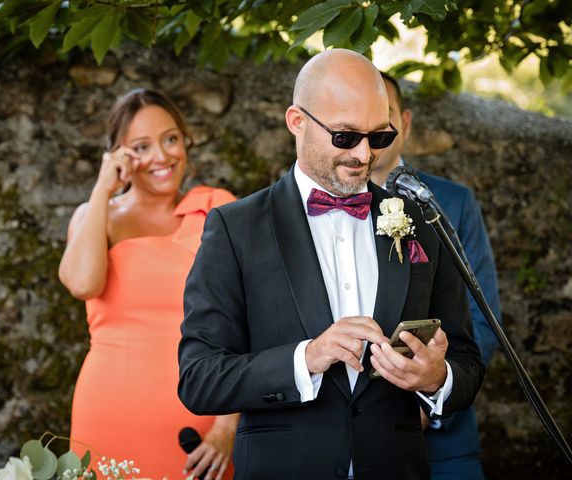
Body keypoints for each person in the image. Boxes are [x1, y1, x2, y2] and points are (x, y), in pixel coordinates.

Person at [178, 49, 484, 479]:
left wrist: (437, 378)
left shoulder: (423, 220)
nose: (363, 154)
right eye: (345, 136)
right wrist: (307, 358)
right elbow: (199, 377)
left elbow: (468, 359)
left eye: (378, 137)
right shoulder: (236, 228)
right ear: (296, 122)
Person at [58, 88, 238, 480]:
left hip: (199, 422)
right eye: (142, 146)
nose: (162, 156)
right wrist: (103, 190)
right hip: (107, 414)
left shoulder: (217, 207)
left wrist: (227, 427)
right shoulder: (96, 216)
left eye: (170, 139)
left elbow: (249, 319)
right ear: (118, 155)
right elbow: (83, 283)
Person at [371, 72, 503, 480]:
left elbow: (483, 319)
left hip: (444, 449)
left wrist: (428, 392)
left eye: (384, 116)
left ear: (405, 123)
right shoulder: (316, 209)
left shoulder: (453, 203)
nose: (371, 131)